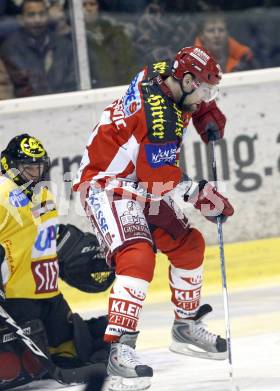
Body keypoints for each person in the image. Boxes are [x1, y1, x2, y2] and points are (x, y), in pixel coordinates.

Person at [72, 46, 235, 390]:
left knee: (189, 245)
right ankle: (119, 350)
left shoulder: (165, 72)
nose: (206, 95)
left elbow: (154, 175)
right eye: (205, 90)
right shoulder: (158, 118)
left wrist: (205, 107)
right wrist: (202, 196)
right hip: (108, 182)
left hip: (140, 177)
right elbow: (158, 179)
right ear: (187, 80)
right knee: (137, 257)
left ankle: (185, 325)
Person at [0, 134, 112, 386]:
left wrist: (61, 246)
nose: (35, 173)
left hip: (48, 297)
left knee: (77, 350)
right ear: (10, 166)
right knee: (7, 369)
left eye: (39, 167)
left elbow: (35, 233)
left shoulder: (41, 194)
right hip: (11, 300)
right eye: (28, 168)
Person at [0, 0, 77, 97]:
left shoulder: (64, 45)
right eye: (31, 15)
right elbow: (19, 87)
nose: (37, 20)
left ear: (48, 16)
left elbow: (73, 82)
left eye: (42, 14)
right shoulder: (10, 48)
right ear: (21, 19)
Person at [82, 0, 138, 88]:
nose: (88, 8)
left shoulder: (116, 34)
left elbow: (131, 66)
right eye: (84, 5)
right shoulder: (74, 40)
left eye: (92, 4)